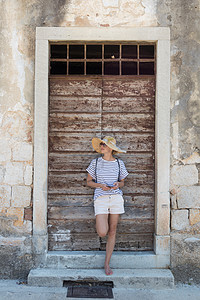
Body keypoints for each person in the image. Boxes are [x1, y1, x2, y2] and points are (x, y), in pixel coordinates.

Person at [86, 136, 129, 276]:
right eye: (101, 144)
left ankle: (107, 264)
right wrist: (100, 185)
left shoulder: (119, 164)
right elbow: (89, 182)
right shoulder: (95, 162)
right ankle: (106, 262)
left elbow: (122, 182)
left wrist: (118, 184)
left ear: (111, 148)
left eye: (104, 144)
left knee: (112, 231)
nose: (102, 146)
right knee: (102, 232)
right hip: (101, 197)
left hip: (116, 197)